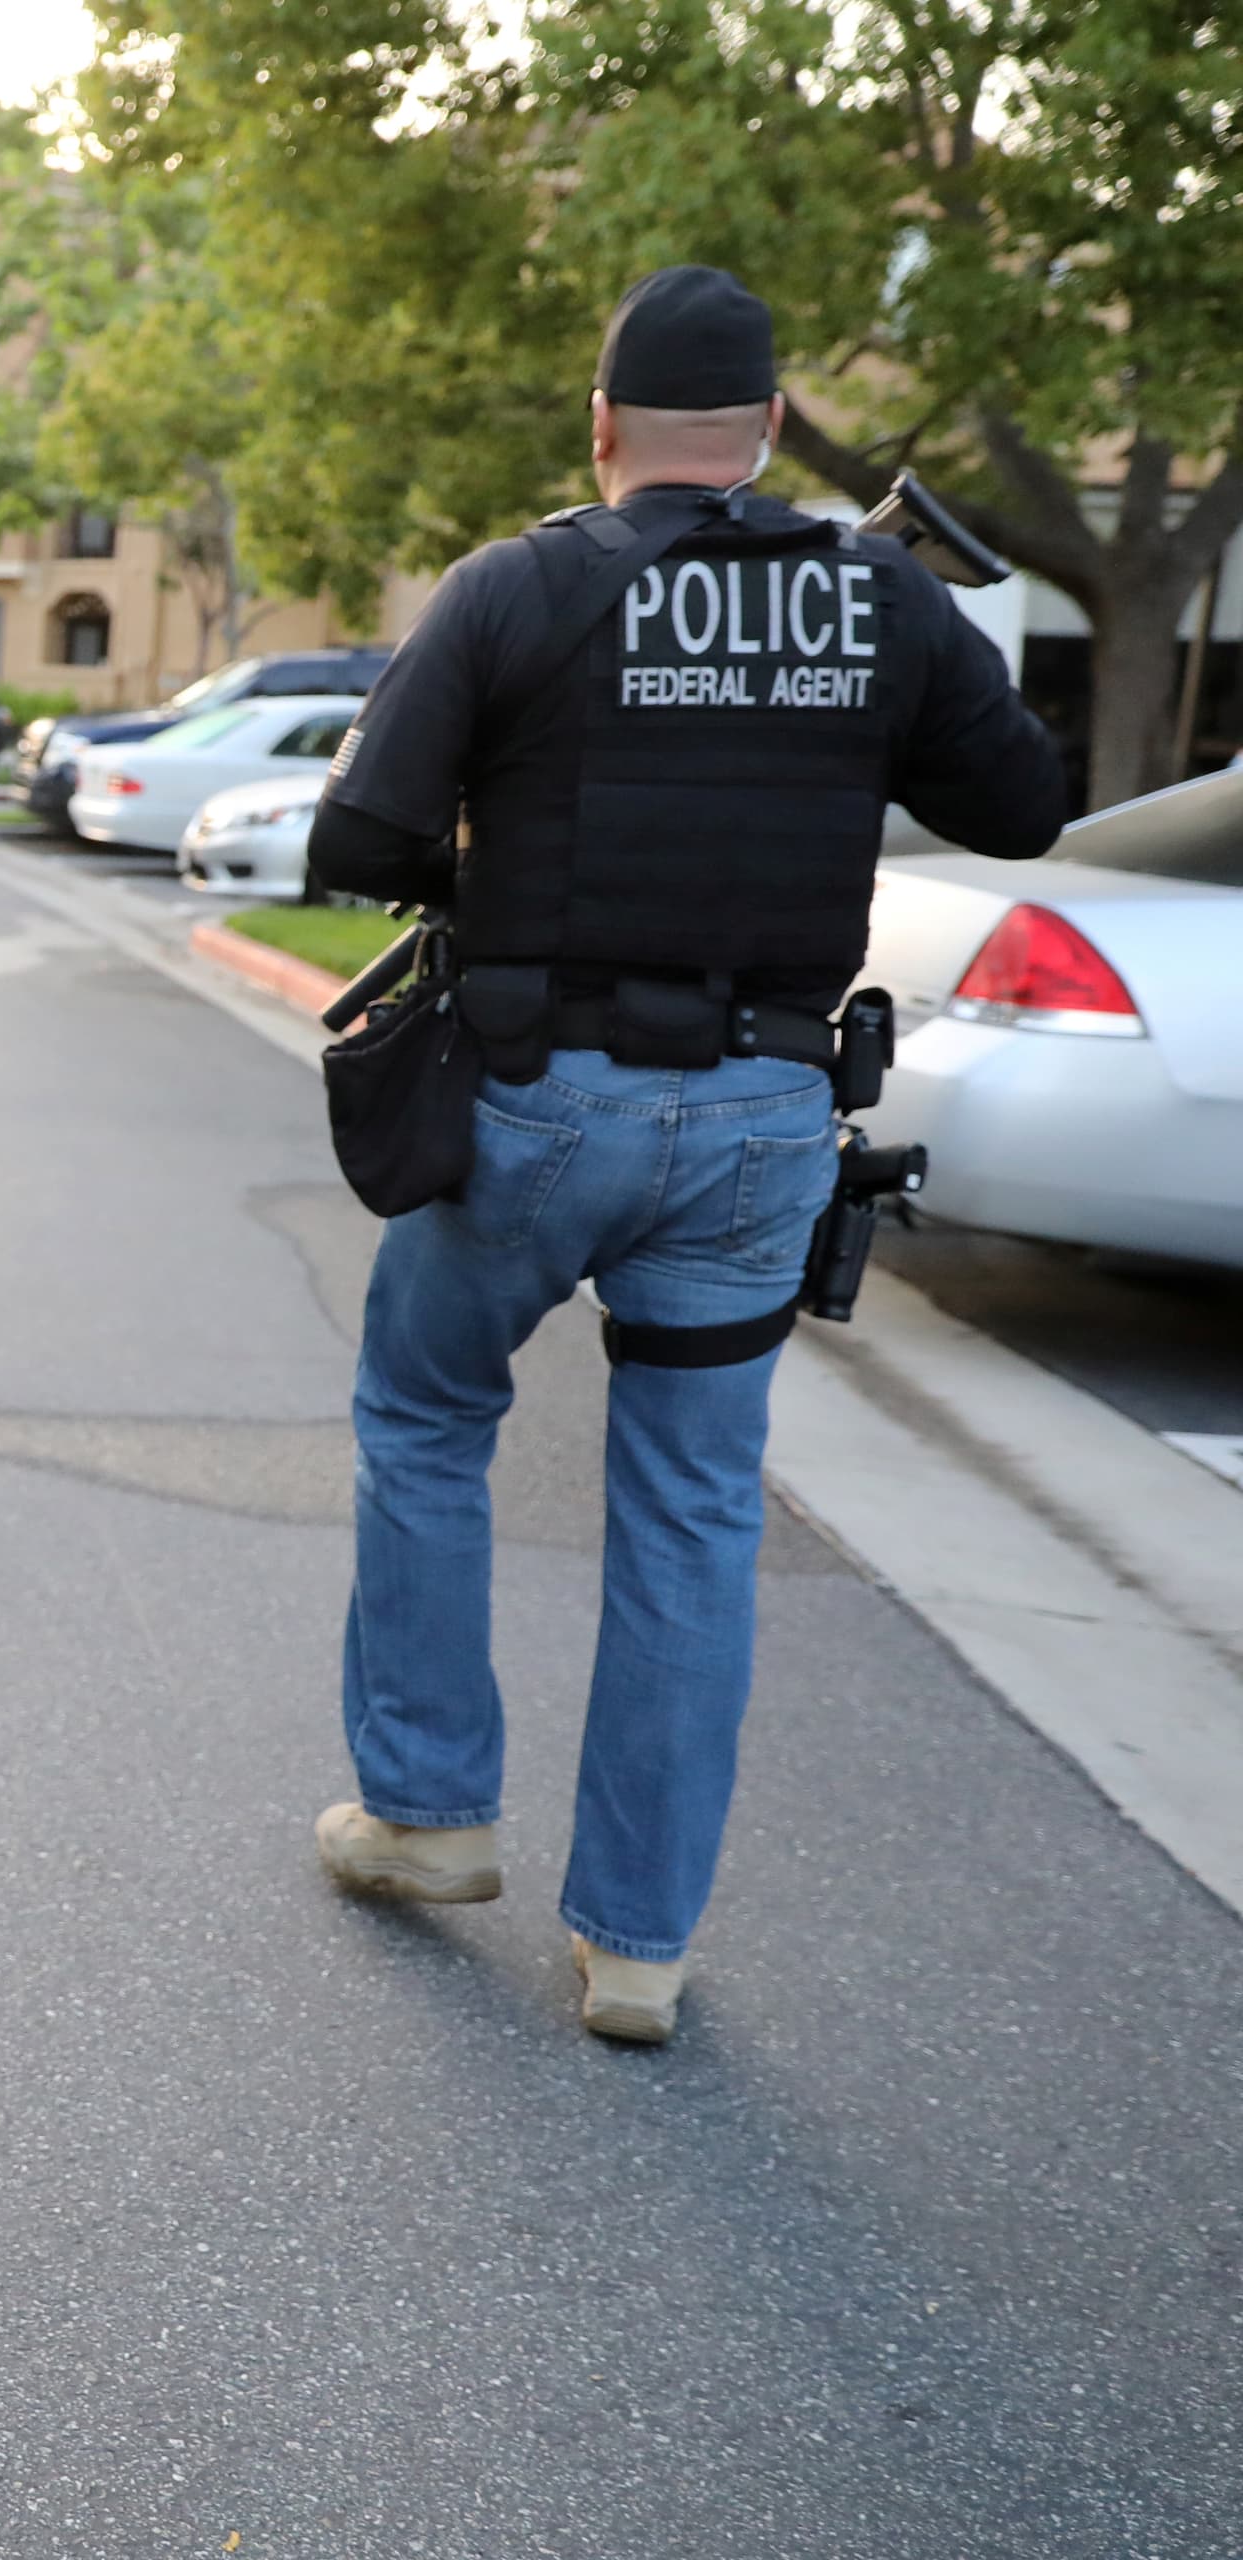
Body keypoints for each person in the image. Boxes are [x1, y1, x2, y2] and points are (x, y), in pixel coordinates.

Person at [302, 264, 1063, 2043]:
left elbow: (361, 834)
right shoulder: (872, 593)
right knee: (697, 1513)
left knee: (426, 1411)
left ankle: (426, 1815)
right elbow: (1023, 806)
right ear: (775, 428)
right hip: (761, 1124)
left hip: (537, 1112)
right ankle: (636, 1947)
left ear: (601, 425)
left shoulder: (522, 585)